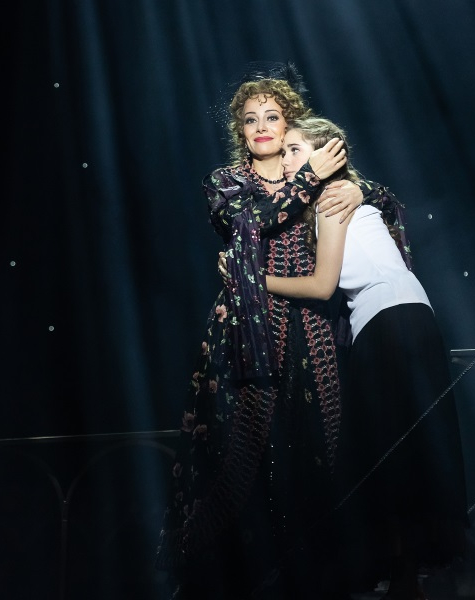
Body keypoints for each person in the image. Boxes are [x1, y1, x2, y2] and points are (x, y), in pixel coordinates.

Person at [156, 64, 397, 600]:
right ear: (239, 131)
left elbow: (386, 201)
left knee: (316, 456)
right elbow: (249, 224)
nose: (262, 127)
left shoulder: (313, 172)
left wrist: (353, 191)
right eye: (250, 119)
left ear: (290, 122)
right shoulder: (226, 182)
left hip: (314, 330)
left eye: (272, 117)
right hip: (246, 332)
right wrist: (312, 178)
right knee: (238, 455)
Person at [231, 116, 469, 599]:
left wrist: (250, 280)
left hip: (389, 322)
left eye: (296, 150)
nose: (288, 160)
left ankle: (404, 580)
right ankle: (407, 579)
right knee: (400, 448)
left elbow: (322, 286)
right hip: (406, 318)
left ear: (327, 155)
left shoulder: (332, 199)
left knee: (388, 452)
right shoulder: (339, 197)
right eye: (286, 151)